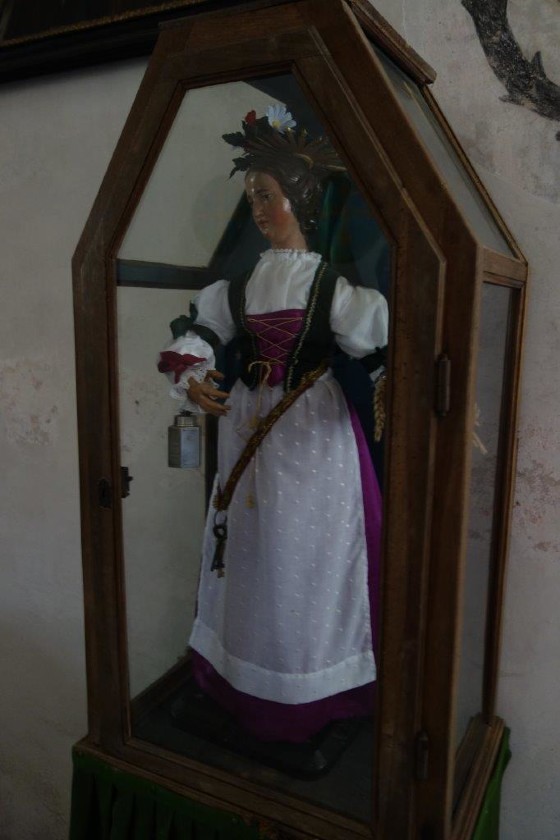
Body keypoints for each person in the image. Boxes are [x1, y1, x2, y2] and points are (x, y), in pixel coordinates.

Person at [158, 105, 388, 744]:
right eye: (252, 198)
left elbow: (377, 351)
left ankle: (305, 689)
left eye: (268, 195)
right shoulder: (238, 286)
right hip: (246, 426)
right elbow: (202, 333)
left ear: (301, 198)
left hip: (310, 430)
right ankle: (237, 674)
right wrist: (193, 372)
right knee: (248, 551)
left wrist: (397, 385)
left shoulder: (331, 288)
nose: (259, 209)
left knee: (307, 556)